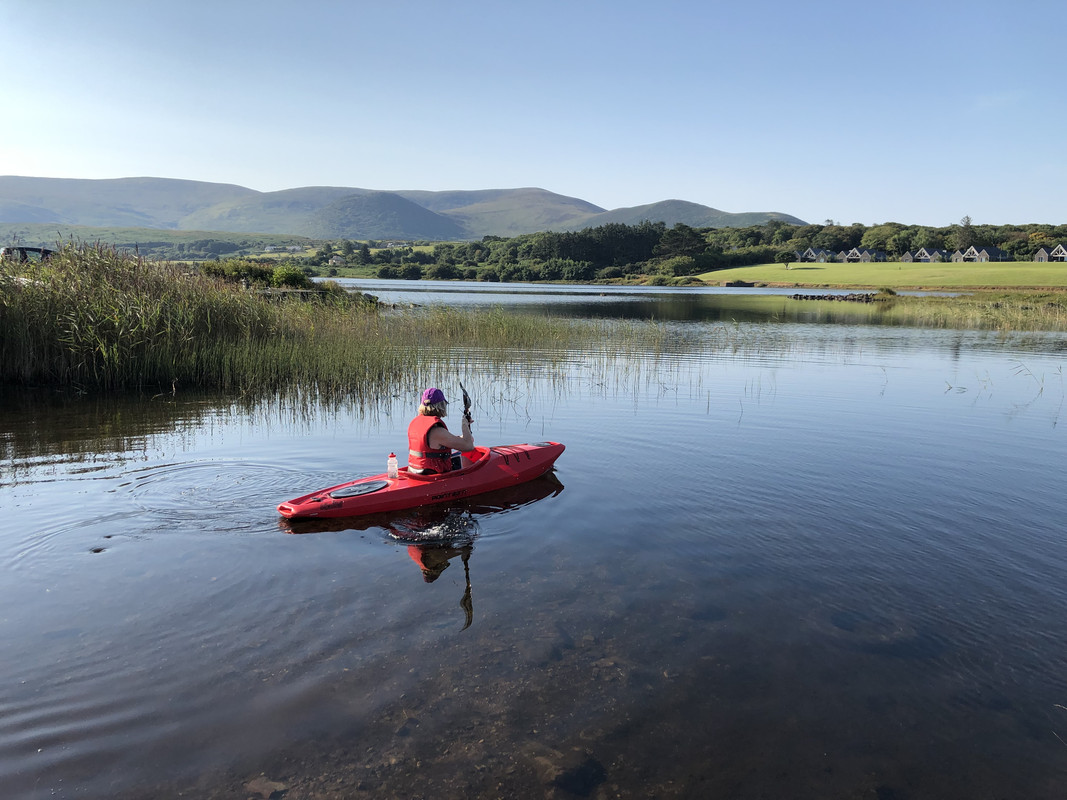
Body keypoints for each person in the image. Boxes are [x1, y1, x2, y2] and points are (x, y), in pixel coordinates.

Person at [407, 387, 474, 474]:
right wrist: (465, 425)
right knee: (465, 461)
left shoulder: (415, 423)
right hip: (430, 475)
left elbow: (437, 442)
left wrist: (464, 437)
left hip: (413, 470)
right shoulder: (436, 430)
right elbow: (469, 446)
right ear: (441, 405)